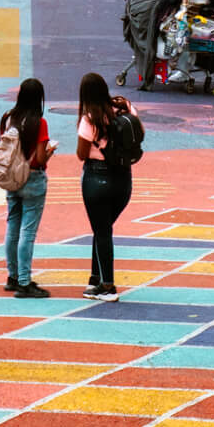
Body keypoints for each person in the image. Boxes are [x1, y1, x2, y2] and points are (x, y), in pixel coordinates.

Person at [76, 72, 142, 300]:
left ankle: (107, 286)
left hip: (96, 178)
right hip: (123, 179)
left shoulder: (89, 118)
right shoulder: (125, 108)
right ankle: (95, 279)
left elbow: (81, 154)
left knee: (102, 230)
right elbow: (139, 133)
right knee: (102, 229)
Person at [0, 78, 56, 297]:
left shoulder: (9, 119)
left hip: (12, 177)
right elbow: (39, 158)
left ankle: (12, 276)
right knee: (28, 232)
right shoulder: (39, 123)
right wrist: (49, 152)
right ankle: (24, 282)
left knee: (12, 226)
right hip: (32, 178)